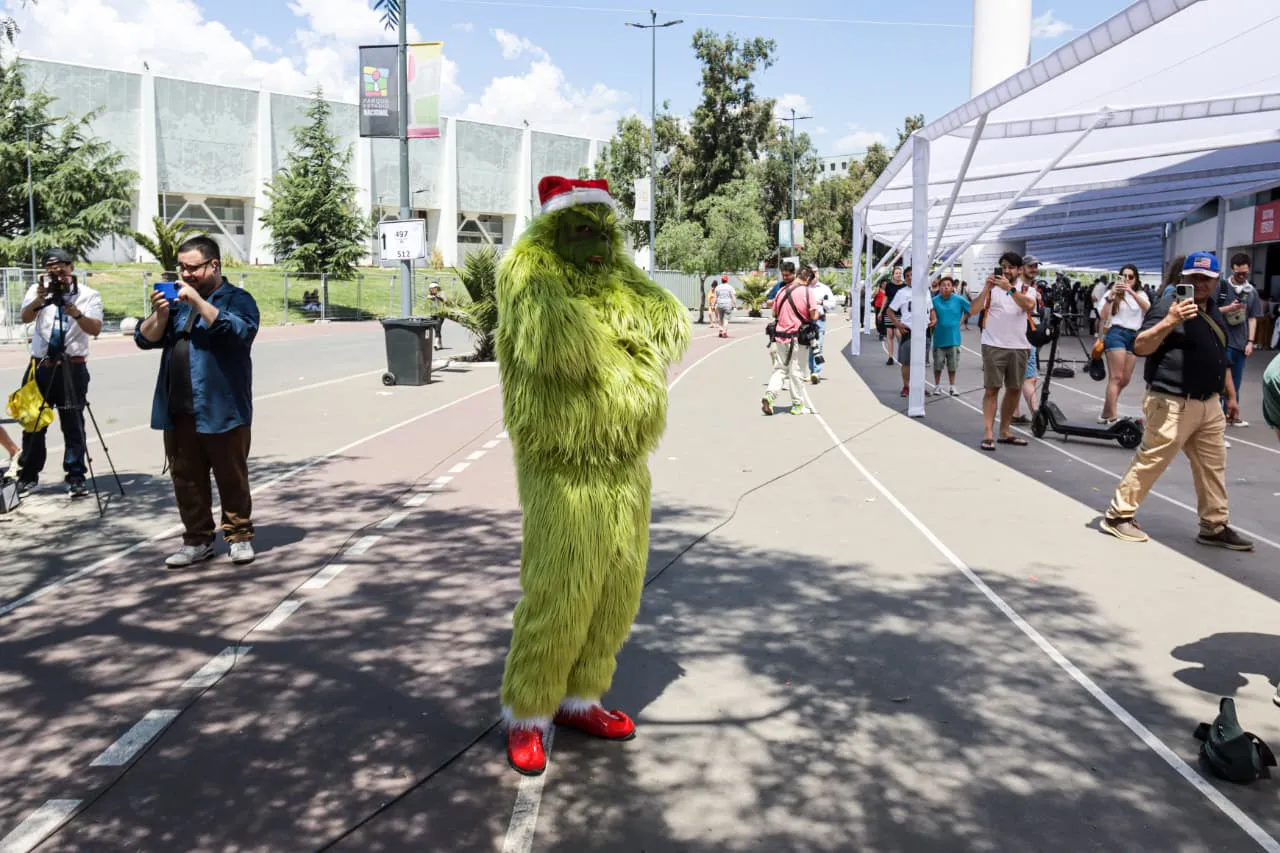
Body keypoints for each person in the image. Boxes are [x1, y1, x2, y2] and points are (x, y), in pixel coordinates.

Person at [495, 176, 690, 776]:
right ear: (557, 229)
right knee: (561, 587)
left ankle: (583, 697)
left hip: (626, 463)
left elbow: (670, 324)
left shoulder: (618, 275)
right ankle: (528, 712)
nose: (597, 244)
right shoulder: (527, 271)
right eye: (583, 230)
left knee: (617, 586)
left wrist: (627, 324)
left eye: (604, 231)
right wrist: (628, 346)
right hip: (563, 463)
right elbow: (565, 348)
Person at [1100, 253, 1251, 551]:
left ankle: (1213, 524)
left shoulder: (1212, 310)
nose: (1200, 283)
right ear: (1183, 277)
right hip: (1172, 401)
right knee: (1152, 459)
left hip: (1208, 403)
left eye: (1206, 278)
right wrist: (1170, 320)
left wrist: (1230, 396)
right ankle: (1118, 516)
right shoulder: (1167, 305)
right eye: (1193, 276)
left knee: (1212, 466)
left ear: (1216, 280)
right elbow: (1141, 345)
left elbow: (1220, 355)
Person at [136, 236, 261, 568]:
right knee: (186, 479)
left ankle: (239, 536)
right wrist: (160, 316)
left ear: (214, 265)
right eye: (182, 268)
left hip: (223, 407)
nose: (186, 274)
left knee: (231, 476)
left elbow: (240, 333)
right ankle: (197, 540)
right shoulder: (175, 303)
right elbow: (143, 338)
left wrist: (198, 303)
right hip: (178, 409)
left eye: (193, 268)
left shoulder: (238, 299)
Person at [14, 248, 104, 497]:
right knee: (32, 422)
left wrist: (75, 312)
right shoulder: (37, 291)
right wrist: (39, 301)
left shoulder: (88, 295)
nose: (58, 276)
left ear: (71, 268)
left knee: (73, 423)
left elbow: (95, 328)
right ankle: (29, 475)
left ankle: (76, 476)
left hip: (72, 367)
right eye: (51, 271)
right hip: (39, 367)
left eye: (62, 270)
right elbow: (24, 318)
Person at [969, 251, 1036, 451]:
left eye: (1011, 267)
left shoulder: (1027, 289)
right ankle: (988, 433)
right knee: (992, 389)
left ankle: (1005, 430)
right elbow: (973, 310)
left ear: (1019, 270)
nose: (1007, 271)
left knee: (1014, 389)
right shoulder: (991, 289)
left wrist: (1011, 290)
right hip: (993, 345)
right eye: (1004, 267)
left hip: (1019, 346)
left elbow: (1029, 305)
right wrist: (986, 289)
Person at [1096, 264, 1150, 423]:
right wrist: (1112, 295)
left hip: (1134, 335)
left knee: (1125, 379)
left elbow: (1148, 309)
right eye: (1123, 276)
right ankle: (1113, 417)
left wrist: (1131, 292)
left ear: (1136, 279)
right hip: (1116, 333)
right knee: (1116, 377)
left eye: (1130, 277)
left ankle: (1106, 412)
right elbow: (1103, 315)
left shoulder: (1140, 294)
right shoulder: (1111, 294)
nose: (1127, 280)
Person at [763, 266, 818, 415]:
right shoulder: (808, 292)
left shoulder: (781, 291)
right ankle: (797, 404)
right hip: (798, 338)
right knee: (797, 371)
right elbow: (813, 316)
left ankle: (770, 395)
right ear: (807, 278)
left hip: (780, 336)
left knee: (780, 369)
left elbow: (774, 312)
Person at [1217, 253, 1264, 426]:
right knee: (1223, 382)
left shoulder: (1251, 292)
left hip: (1241, 343)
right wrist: (1229, 308)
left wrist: (1250, 342)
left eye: (1244, 273)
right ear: (1232, 270)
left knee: (1236, 382)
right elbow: (1210, 311)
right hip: (1223, 341)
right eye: (1238, 273)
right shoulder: (1221, 287)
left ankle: (1232, 415)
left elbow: (1252, 318)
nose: (1242, 276)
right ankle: (1220, 418)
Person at [884, 274, 936, 399]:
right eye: (907, 276)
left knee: (921, 362)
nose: (910, 278)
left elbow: (931, 307)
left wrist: (934, 318)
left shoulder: (926, 291)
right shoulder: (902, 293)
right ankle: (906, 386)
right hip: (909, 331)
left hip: (924, 330)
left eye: (913, 275)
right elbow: (889, 310)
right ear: (905, 279)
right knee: (907, 362)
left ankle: (919, 386)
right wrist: (898, 324)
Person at [930, 276, 969, 396]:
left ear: (952, 287)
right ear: (939, 287)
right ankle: (937, 386)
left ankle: (952, 386)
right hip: (939, 338)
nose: (946, 287)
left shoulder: (959, 299)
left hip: (954, 338)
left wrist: (961, 322)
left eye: (948, 285)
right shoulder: (934, 301)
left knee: (952, 366)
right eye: (943, 285)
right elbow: (931, 314)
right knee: (937, 365)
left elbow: (970, 309)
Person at [807, 266, 835, 381]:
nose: (814, 274)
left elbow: (833, 304)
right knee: (809, 346)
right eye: (811, 272)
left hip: (820, 320)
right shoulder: (804, 288)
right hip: (807, 321)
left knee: (818, 345)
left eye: (815, 272)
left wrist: (822, 302)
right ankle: (812, 370)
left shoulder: (824, 288)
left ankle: (816, 372)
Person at [879, 264, 906, 365]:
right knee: (890, 334)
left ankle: (902, 353)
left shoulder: (904, 286)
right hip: (889, 311)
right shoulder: (889, 286)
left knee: (899, 334)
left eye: (899, 273)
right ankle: (890, 357)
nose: (898, 275)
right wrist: (881, 312)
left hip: (900, 312)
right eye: (896, 273)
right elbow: (886, 298)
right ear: (893, 275)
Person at [712, 273, 736, 338]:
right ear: (727, 280)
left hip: (719, 304)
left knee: (720, 318)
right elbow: (733, 296)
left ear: (721, 280)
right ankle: (724, 331)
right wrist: (735, 304)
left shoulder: (717, 287)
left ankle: (720, 330)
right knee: (726, 319)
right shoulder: (730, 287)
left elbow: (715, 297)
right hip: (728, 304)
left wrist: (713, 306)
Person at [427, 281, 446, 349]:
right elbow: (429, 298)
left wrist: (438, 297)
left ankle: (436, 343)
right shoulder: (430, 295)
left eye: (433, 288)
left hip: (440, 313)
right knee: (436, 329)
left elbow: (444, 300)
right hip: (433, 314)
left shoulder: (442, 293)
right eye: (431, 288)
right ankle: (440, 344)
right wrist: (432, 297)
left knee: (438, 327)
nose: (432, 290)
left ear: (437, 288)